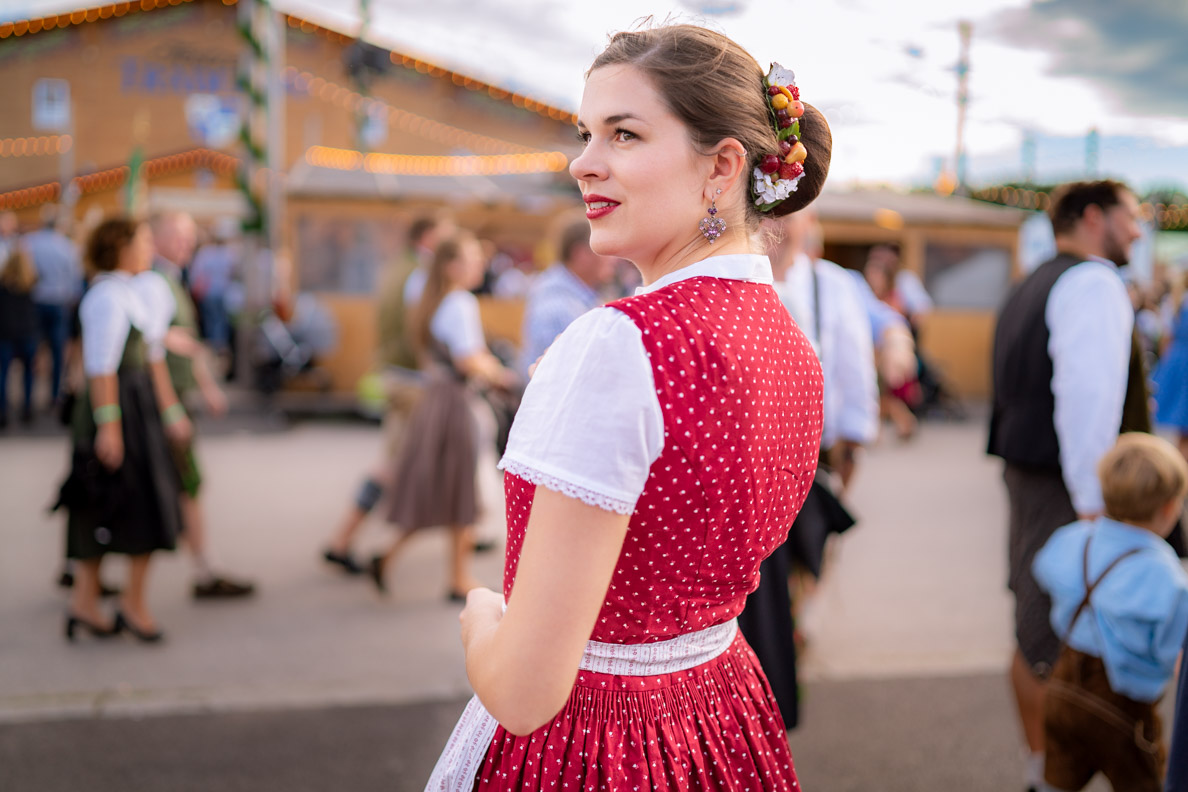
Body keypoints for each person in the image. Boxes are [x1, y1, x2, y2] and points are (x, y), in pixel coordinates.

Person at [425, 24, 830, 790]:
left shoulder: (622, 342)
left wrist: (483, 614)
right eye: (586, 133)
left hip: (597, 741)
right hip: (720, 708)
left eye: (624, 133)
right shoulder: (790, 343)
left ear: (722, 166)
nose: (584, 162)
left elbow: (521, 692)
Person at [987, 179, 1145, 792]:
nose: (1137, 230)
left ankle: (1042, 768)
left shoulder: (1033, 281)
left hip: (1031, 476)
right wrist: (1094, 507)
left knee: (1034, 623)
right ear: (1093, 217)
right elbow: (1087, 400)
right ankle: (1050, 775)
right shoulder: (1093, 281)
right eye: (1131, 218)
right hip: (1067, 486)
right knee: (1052, 636)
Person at [737, 208, 876, 728]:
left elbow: (853, 364)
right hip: (752, 457)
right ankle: (769, 671)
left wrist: (853, 442)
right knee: (759, 581)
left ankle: (786, 657)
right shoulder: (739, 272)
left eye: (790, 216)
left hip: (812, 457)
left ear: (810, 219)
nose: (779, 227)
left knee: (806, 566)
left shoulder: (833, 285)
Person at [54, 217, 189, 643]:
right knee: (117, 501)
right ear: (120, 248)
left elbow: (151, 357)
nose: (150, 247)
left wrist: (169, 411)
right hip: (117, 409)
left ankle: (93, 602)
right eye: (143, 240)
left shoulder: (131, 291)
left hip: (134, 405)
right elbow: (100, 368)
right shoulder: (109, 296)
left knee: (115, 502)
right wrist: (108, 427)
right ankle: (115, 603)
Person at [1033, 433, 1188, 792]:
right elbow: (1171, 650)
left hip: (1062, 689)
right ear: (1168, 508)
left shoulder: (1075, 538)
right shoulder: (1166, 577)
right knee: (1142, 781)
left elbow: (1044, 569)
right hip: (1123, 710)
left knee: (1058, 778)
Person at [368, 231, 516, 600]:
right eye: (472, 259)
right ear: (453, 266)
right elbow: (468, 358)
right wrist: (497, 371)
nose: (480, 264)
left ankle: (415, 563)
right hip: (456, 402)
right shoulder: (460, 302)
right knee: (460, 486)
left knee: (445, 487)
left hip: (438, 398)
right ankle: (456, 576)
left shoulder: (431, 298)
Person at [323, 213, 456, 574]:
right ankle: (355, 544)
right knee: (404, 468)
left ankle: (351, 542)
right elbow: (420, 333)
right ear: (428, 238)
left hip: (397, 375)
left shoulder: (399, 267)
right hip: (413, 380)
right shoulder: (419, 274)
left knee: (397, 465)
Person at [149, 212, 254, 600]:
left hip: (175, 396)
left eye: (189, 237)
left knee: (182, 484)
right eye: (177, 236)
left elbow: (185, 340)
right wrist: (173, 406)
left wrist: (206, 385)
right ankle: (204, 568)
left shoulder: (174, 279)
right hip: (164, 400)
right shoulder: (154, 282)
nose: (186, 244)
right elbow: (151, 349)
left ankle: (204, 566)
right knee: (181, 483)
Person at [518, 219, 617, 376]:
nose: (614, 258)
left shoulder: (574, 295)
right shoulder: (560, 306)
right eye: (606, 248)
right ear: (581, 254)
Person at [26, 204, 82, 409]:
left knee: (32, 350)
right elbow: (75, 282)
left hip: (35, 301)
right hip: (58, 303)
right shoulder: (67, 247)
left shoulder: (30, 242)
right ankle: (55, 395)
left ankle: (28, 397)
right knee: (58, 351)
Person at [0, 241, 39, 428]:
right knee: (28, 374)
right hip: (26, 333)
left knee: (3, 374)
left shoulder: (4, 285)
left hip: (6, 333)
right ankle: (27, 408)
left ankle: (3, 410)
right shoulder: (31, 283)